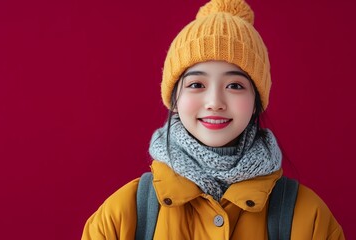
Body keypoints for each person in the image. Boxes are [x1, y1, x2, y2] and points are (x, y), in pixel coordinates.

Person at [82, 0, 345, 239]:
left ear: (256, 102)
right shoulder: (121, 215)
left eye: (235, 85)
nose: (215, 102)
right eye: (197, 84)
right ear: (174, 99)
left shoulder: (310, 218)